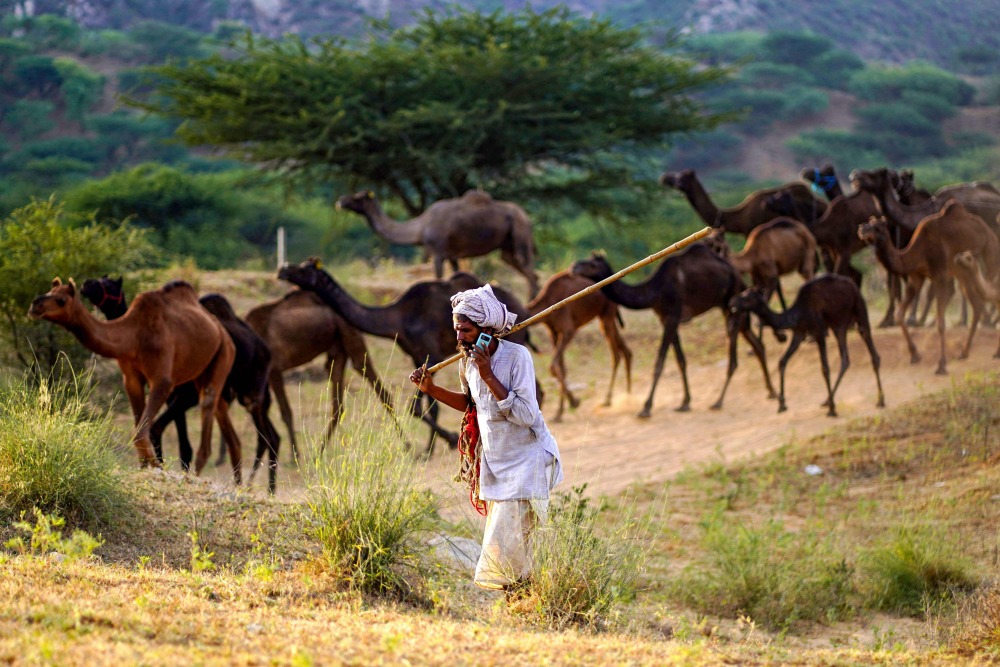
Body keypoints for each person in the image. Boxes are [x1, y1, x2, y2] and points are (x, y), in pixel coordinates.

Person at [409, 284, 562, 591]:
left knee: (505, 545)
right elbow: (472, 405)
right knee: (513, 548)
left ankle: (521, 601)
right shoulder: (467, 363)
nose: (458, 338)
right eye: (456, 330)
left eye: (465, 331)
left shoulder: (518, 357)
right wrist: (432, 390)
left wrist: (489, 374)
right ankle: (525, 602)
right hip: (497, 461)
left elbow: (525, 416)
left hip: (527, 459)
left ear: (486, 329)